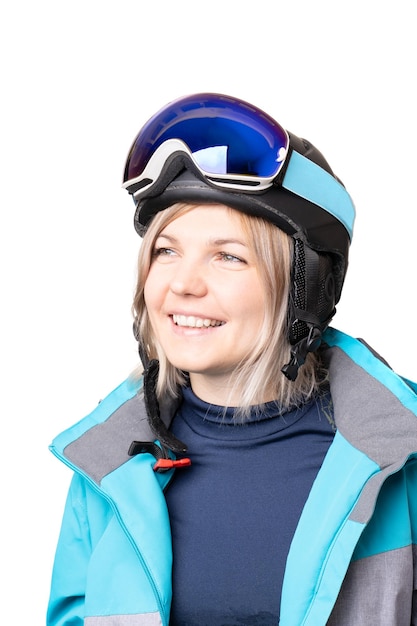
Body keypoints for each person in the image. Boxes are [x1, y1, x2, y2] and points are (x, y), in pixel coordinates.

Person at [47, 93, 417, 626]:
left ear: (304, 289)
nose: (182, 284)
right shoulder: (107, 466)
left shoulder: (397, 459)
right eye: (166, 250)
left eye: (228, 256)